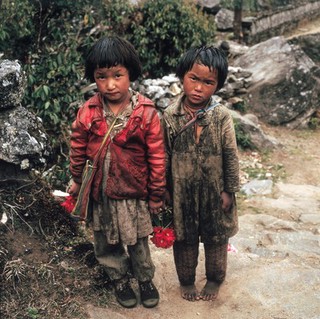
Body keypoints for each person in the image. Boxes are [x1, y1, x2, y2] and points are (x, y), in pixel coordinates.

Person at [68, 36, 166, 309]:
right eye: (101, 77)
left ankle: (145, 278)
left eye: (118, 75)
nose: (110, 84)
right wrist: (77, 180)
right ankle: (119, 279)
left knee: (136, 239)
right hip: (100, 191)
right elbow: (77, 148)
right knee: (104, 238)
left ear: (130, 74)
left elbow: (157, 156)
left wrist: (156, 193)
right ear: (94, 78)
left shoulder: (146, 113)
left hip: (133, 190)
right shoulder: (88, 112)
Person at [162, 45, 239, 302]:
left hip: (215, 190)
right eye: (193, 78)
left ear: (217, 86)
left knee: (217, 236)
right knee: (183, 238)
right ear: (182, 76)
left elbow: (230, 155)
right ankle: (186, 281)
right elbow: (163, 155)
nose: (198, 88)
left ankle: (215, 279)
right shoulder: (170, 116)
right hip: (181, 191)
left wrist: (229, 190)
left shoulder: (221, 117)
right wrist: (162, 189)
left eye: (208, 82)